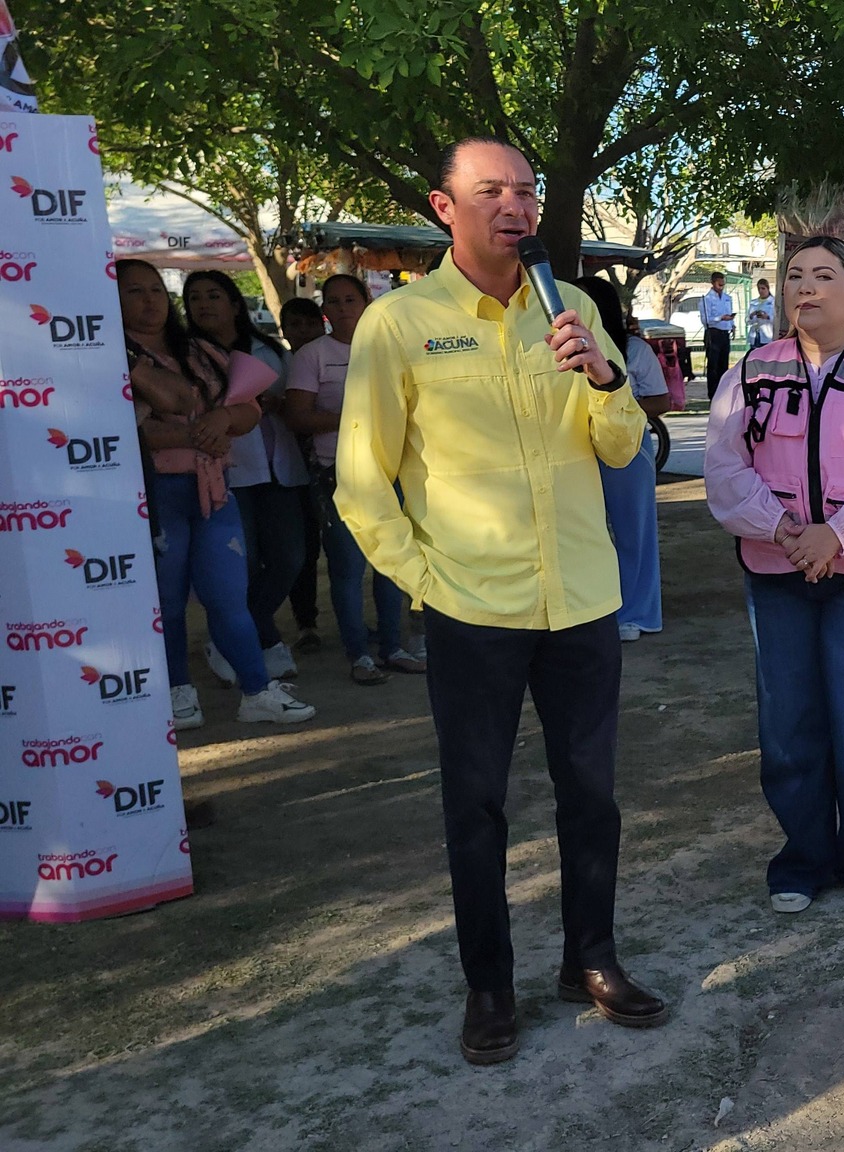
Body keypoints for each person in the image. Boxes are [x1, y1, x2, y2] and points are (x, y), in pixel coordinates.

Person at [335, 137, 668, 1065]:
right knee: (476, 804)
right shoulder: (398, 323)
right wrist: (435, 585)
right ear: (446, 208)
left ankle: (590, 959)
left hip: (582, 601)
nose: (515, 206)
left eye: (526, 190)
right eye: (492, 191)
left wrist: (603, 381)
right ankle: (489, 985)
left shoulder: (572, 310)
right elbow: (363, 485)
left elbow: (619, 449)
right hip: (473, 611)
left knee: (591, 796)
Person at [704, 236, 844, 915]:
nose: (807, 287)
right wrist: (783, 532)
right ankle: (802, 856)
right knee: (788, 722)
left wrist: (837, 535)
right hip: (778, 572)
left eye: (824, 276)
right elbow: (724, 466)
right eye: (796, 275)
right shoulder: (749, 373)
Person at [118, 259, 315, 730]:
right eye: (134, 292)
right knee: (165, 601)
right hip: (155, 493)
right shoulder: (105, 355)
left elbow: (246, 409)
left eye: (156, 290)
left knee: (229, 595)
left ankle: (256, 691)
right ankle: (177, 693)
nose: (150, 301)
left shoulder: (200, 350)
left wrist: (223, 420)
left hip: (213, 490)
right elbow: (124, 431)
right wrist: (194, 433)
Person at [282, 276, 423, 685]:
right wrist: (358, 419)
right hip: (337, 473)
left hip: (392, 470)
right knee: (347, 566)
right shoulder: (313, 355)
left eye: (350, 299)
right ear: (324, 308)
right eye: (334, 301)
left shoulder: (391, 346)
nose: (343, 308)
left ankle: (393, 647)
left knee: (392, 563)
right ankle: (359, 654)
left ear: (367, 301)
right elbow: (298, 417)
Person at [183, 270, 312, 683]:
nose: (205, 305)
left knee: (289, 559)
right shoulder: (184, 355)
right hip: (227, 475)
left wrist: (274, 403)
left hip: (278, 470)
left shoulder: (269, 348)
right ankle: (264, 639)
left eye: (214, 296)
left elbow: (296, 403)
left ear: (235, 304)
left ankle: (232, 636)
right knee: (243, 568)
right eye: (196, 298)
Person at [574, 275, 669, 643]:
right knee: (584, 530)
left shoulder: (633, 350)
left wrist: (620, 403)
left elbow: (661, 401)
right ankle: (594, 610)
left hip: (630, 448)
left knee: (635, 532)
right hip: (577, 447)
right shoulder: (557, 345)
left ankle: (637, 614)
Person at [278, 297, 330, 652]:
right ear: (284, 330)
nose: (303, 332)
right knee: (303, 551)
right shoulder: (279, 363)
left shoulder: (330, 357)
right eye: (294, 326)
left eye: (309, 324)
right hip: (291, 472)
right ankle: (306, 622)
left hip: (328, 466)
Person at [700, 270, 737, 398]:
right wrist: (720, 318)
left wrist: (732, 324)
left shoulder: (727, 298)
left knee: (723, 365)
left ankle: (723, 393)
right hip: (713, 333)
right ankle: (713, 394)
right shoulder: (706, 299)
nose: (721, 288)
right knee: (713, 366)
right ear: (713, 283)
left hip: (724, 333)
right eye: (719, 285)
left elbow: (730, 312)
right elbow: (705, 320)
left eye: (723, 285)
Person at [746, 277, 776, 348]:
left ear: (768, 288)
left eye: (763, 288)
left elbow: (777, 320)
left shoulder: (773, 302)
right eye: (759, 289)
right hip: (755, 335)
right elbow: (747, 321)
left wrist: (767, 317)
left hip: (767, 335)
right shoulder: (754, 302)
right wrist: (751, 316)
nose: (761, 291)